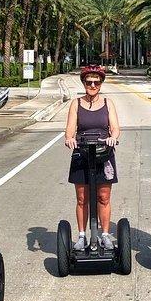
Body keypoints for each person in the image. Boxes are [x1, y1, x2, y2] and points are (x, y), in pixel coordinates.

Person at [64, 65, 121, 250]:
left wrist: (113, 137)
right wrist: (70, 139)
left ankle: (104, 235)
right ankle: (81, 236)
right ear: (84, 83)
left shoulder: (108, 103)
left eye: (97, 82)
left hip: (104, 152)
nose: (93, 85)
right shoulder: (76, 103)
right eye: (89, 82)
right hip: (82, 152)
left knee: (103, 197)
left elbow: (115, 128)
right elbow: (70, 129)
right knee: (82, 198)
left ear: (101, 83)